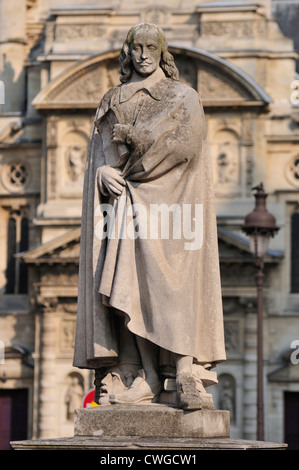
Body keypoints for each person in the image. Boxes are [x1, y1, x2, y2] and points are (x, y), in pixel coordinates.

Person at [73, 22, 226, 409]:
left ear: (161, 52)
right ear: (128, 52)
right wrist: (103, 173)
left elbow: (184, 148)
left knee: (172, 287)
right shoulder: (111, 99)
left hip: (173, 207)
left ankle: (185, 370)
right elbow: (100, 155)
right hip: (125, 209)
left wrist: (137, 150)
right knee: (129, 287)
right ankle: (141, 375)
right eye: (135, 48)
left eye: (149, 47)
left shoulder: (182, 96)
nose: (142, 55)